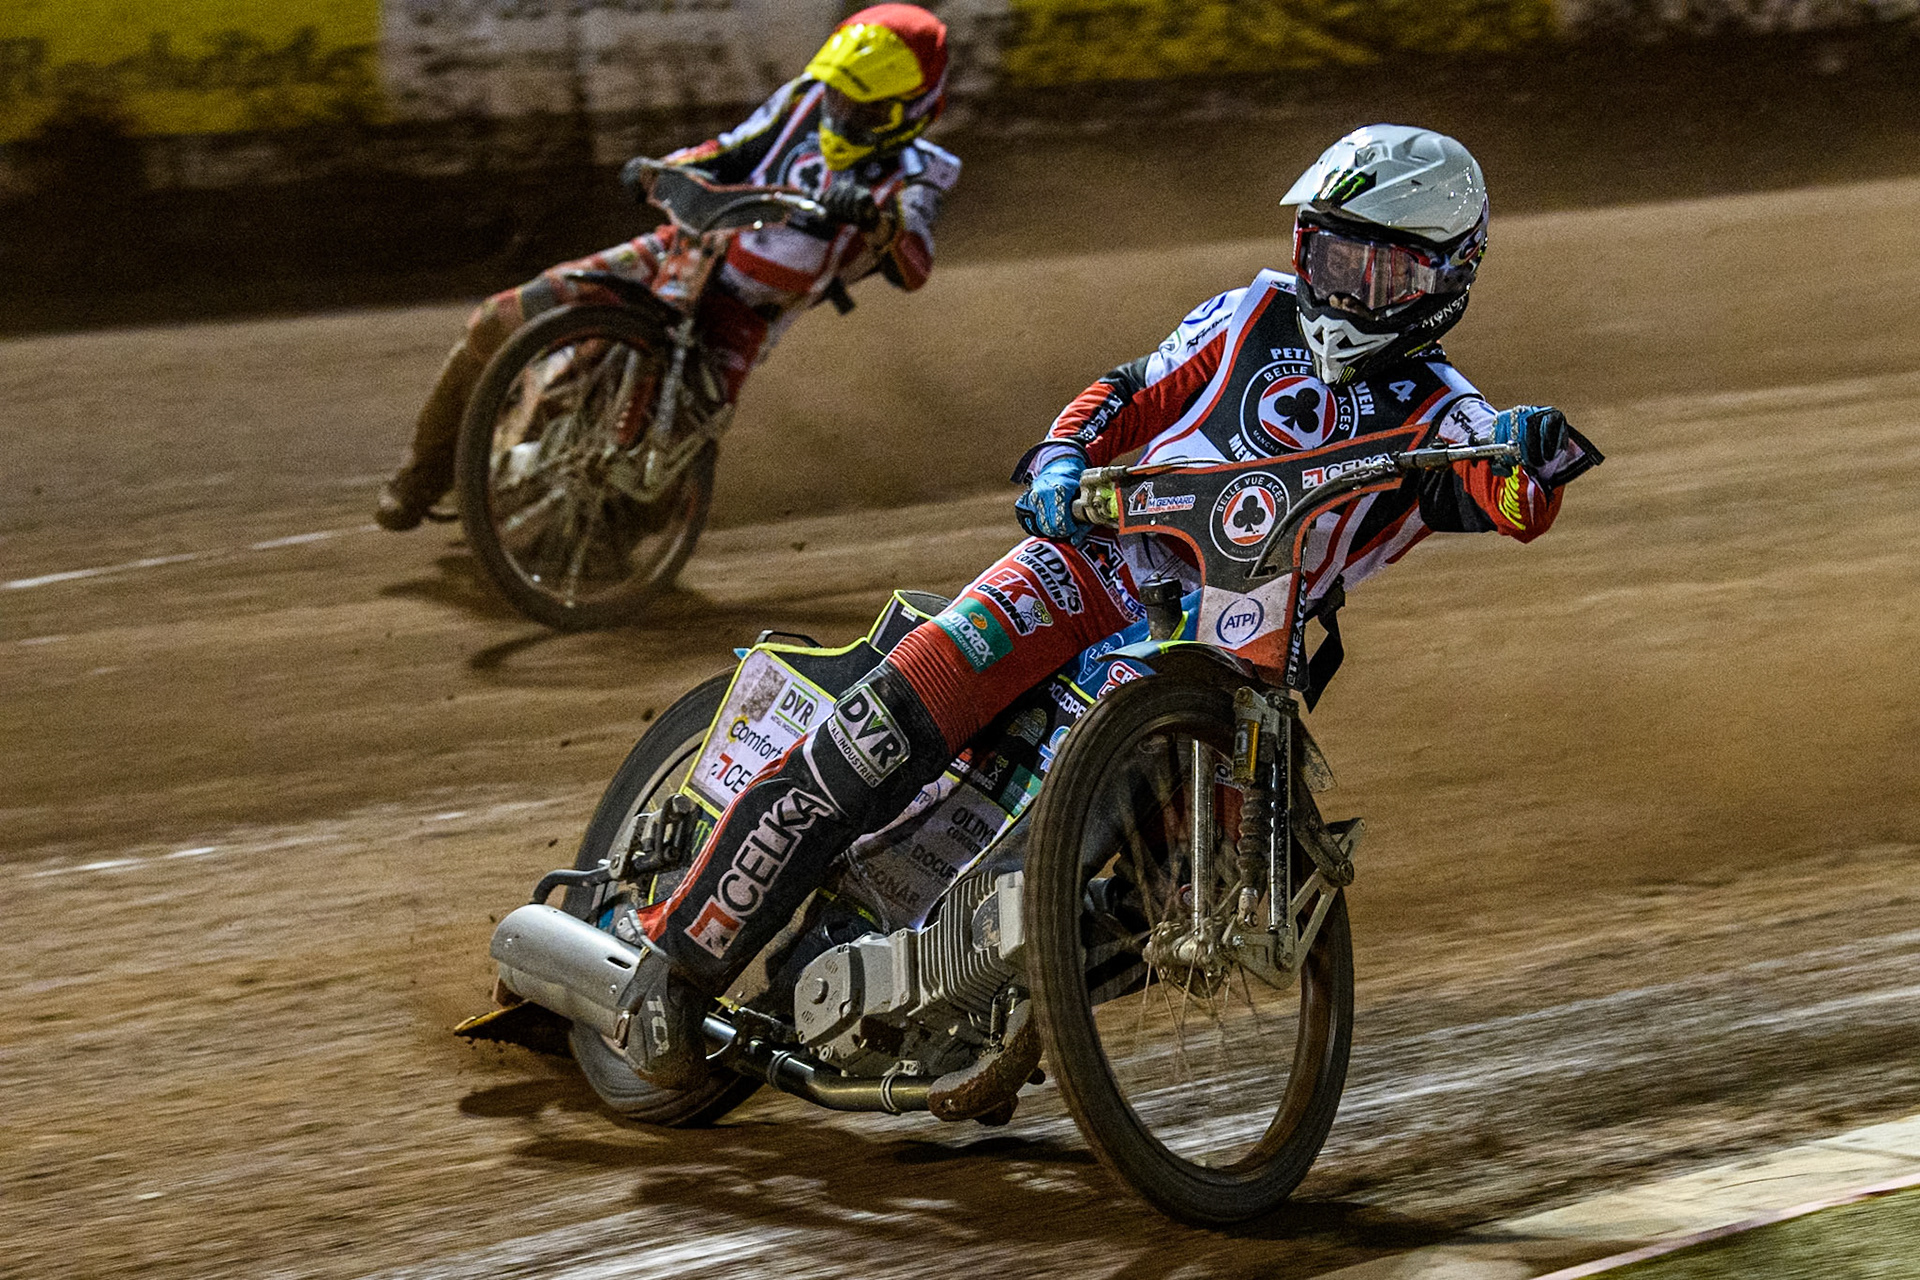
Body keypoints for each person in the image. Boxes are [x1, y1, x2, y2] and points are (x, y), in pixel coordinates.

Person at [610, 124, 1605, 1094]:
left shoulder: (1450, 414)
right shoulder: (1253, 313)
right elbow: (1131, 389)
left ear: (1445, 278)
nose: (1347, 288)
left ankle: (987, 1015)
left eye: (1380, 271)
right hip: (1092, 563)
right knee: (883, 729)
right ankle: (676, 956)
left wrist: (1534, 449)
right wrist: (1061, 456)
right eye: (1333, 255)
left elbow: (1516, 503)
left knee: (1167, 900)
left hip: (1224, 652)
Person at [375, 4, 960, 532]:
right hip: (681, 249)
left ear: (910, 111)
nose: (842, 111)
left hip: (745, 313)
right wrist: (667, 169)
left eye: (865, 107)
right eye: (839, 95)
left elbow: (915, 265)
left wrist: (878, 223)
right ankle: (422, 475)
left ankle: (595, 549)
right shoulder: (803, 98)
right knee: (499, 319)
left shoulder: (920, 174)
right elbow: (731, 148)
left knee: (659, 489)